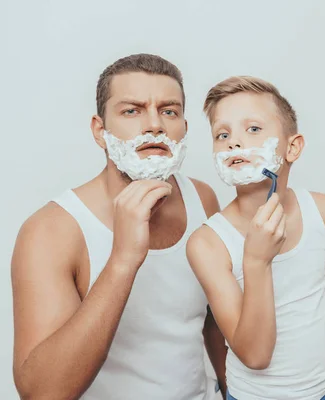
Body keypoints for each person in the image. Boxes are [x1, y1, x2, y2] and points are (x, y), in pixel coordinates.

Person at [11, 53, 227, 400]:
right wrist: (123, 261)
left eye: (169, 111)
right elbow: (42, 392)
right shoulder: (51, 231)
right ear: (100, 131)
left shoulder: (203, 199)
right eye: (132, 110)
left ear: (184, 128)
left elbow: (214, 321)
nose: (154, 124)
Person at [187, 76, 325, 400]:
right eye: (222, 134)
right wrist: (255, 260)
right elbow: (255, 356)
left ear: (292, 147)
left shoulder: (324, 211)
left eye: (253, 129)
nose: (234, 142)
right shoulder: (208, 245)